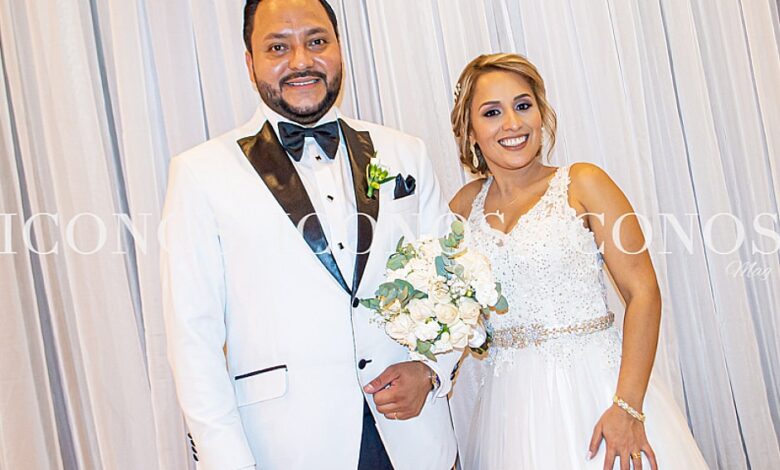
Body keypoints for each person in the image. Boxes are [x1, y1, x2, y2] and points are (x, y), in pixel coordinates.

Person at [160, 1, 458, 468]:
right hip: (284, 448)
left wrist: (431, 369)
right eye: (278, 47)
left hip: (412, 437)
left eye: (316, 41)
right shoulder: (200, 173)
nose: (301, 61)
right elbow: (192, 338)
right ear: (249, 63)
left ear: (339, 49)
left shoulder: (406, 152)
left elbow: (452, 275)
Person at [448, 53, 709, 469]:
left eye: (523, 105)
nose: (512, 123)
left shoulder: (583, 183)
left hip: (597, 391)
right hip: (510, 411)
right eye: (492, 112)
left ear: (541, 114)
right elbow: (443, 304)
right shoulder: (464, 207)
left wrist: (627, 407)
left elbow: (643, 292)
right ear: (470, 131)